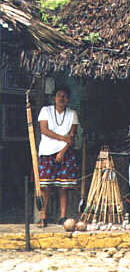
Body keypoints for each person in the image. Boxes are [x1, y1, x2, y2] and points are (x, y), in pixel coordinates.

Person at [37, 86, 79, 227]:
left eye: (65, 96)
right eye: (59, 95)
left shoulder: (72, 114)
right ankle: (43, 216)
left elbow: (72, 136)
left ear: (68, 99)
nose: (62, 98)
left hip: (65, 153)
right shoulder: (45, 111)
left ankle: (62, 216)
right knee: (45, 186)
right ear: (54, 97)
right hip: (47, 152)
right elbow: (44, 130)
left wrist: (62, 151)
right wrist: (62, 138)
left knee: (63, 186)